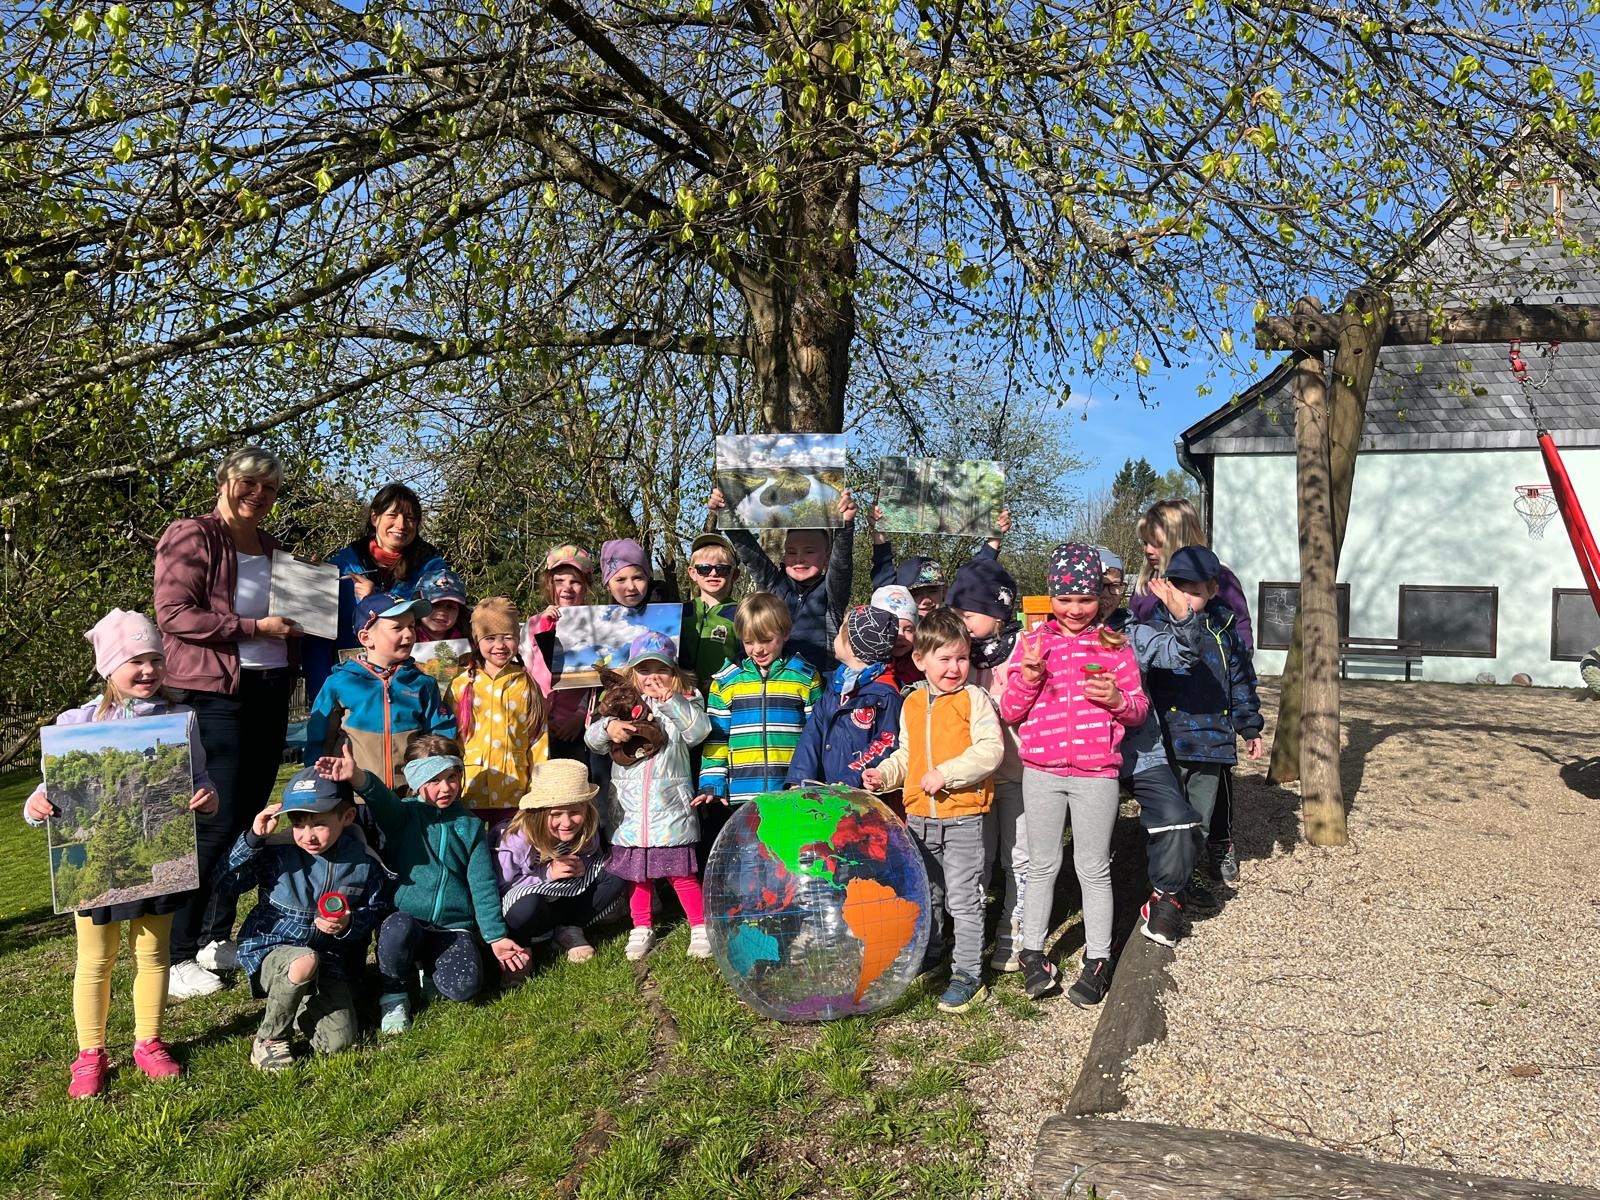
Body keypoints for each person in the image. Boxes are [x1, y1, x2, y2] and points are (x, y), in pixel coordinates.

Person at [22, 610, 220, 1097]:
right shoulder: (75, 724)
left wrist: (207, 797)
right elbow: (48, 791)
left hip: (158, 862)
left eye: (155, 658)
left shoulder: (180, 720)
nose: (149, 670)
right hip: (93, 867)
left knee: (153, 956)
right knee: (96, 959)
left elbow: (200, 778)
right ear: (108, 667)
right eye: (135, 660)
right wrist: (36, 804)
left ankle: (148, 1042)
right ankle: (90, 1052)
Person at [153, 444, 298, 999]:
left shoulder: (273, 549)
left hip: (268, 693)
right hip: (212, 695)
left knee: (248, 819)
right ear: (226, 481)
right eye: (249, 483)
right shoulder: (192, 535)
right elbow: (173, 614)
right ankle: (176, 953)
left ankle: (217, 936)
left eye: (269, 489)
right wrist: (254, 625)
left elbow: (299, 622)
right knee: (212, 819)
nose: (257, 495)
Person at [1000, 544, 1149, 1007]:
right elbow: (1009, 709)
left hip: (1096, 776)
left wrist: (1116, 702)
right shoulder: (1032, 643)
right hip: (1041, 772)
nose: (1075, 610)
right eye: (1065, 600)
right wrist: (1027, 676)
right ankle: (1032, 954)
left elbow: (1139, 711)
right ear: (1051, 596)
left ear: (1100, 596)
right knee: (1042, 865)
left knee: (1093, 867)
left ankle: (1099, 957)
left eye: (1085, 599)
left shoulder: (1115, 647)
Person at [314, 734, 522, 1033]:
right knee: (397, 928)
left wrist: (495, 937)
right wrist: (358, 777)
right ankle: (395, 994)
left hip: (452, 929)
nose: (446, 787)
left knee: (464, 988)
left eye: (452, 777)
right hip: (406, 921)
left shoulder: (470, 825)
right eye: (434, 780)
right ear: (416, 780)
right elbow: (380, 798)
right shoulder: (403, 815)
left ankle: (426, 967)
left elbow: (483, 885)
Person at [862, 610, 1004, 1014]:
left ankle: (968, 975)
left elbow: (990, 751)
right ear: (921, 659)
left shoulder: (973, 699)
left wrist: (948, 774)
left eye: (961, 658)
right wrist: (883, 775)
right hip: (920, 818)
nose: (954, 668)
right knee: (931, 894)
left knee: (964, 899)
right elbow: (907, 756)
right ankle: (934, 951)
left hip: (963, 816)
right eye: (944, 659)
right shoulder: (911, 703)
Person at [211, 768, 389, 1071]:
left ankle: (295, 1005)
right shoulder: (276, 852)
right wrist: (253, 839)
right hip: (273, 949)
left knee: (339, 1044)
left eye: (319, 824)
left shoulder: (363, 860)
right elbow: (225, 883)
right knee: (303, 961)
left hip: (330, 957)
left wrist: (347, 926)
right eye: (298, 824)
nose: (307, 835)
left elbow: (375, 910)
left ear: (346, 817)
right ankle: (268, 1040)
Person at [1099, 558, 1208, 947]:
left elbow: (1184, 655)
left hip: (1138, 750)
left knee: (1177, 817)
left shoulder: (1137, 634)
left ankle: (1166, 899)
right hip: (1081, 757)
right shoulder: (1052, 634)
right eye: (1098, 584)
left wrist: (1183, 618)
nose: (1106, 594)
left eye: (1114, 585)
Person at [1143, 546, 1264, 891]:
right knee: (1166, 818)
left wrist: (1248, 724)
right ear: (1167, 587)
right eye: (1181, 589)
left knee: (1199, 819)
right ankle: (1161, 883)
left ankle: (1186, 877)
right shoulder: (1153, 629)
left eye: (1196, 592)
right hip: (1166, 742)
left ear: (1212, 591)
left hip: (1212, 744)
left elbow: (1240, 680)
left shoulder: (1224, 631)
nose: (1187, 598)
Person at [584, 633, 712, 960]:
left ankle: (699, 926)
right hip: (628, 811)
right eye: (644, 670)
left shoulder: (687, 697)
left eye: (662, 670)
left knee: (680, 872)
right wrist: (608, 727)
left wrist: (673, 701)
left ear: (675, 674)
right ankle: (641, 926)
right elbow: (593, 740)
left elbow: (698, 733)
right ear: (632, 674)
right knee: (636, 876)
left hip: (669, 808)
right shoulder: (620, 704)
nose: (653, 677)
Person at [946, 556, 1029, 972]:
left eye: (968, 613)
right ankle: (970, 933)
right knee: (975, 858)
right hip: (974, 780)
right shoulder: (959, 657)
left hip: (1017, 773)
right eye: (955, 613)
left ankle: (1014, 933)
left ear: (999, 612)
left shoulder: (1024, 653)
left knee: (1018, 857)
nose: (961, 621)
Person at [697, 593, 822, 862]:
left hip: (791, 790)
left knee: (791, 859)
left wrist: (810, 779)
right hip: (744, 793)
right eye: (749, 641)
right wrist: (712, 782)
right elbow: (717, 736)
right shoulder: (727, 681)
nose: (758, 649)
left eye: (766, 640)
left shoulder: (805, 676)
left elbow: (816, 735)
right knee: (751, 862)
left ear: (785, 633)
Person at [303, 482, 453, 704]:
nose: (401, 525)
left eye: (410, 518)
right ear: (375, 517)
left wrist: (375, 600)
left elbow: (444, 626)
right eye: (392, 515)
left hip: (411, 692)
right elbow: (317, 642)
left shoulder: (433, 571)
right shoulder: (339, 568)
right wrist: (323, 700)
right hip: (353, 690)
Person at [305, 592, 456, 792]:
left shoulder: (423, 684)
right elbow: (318, 739)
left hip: (409, 796)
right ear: (366, 638)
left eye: (411, 626)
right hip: (354, 795)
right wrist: (317, 785)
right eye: (397, 628)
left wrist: (438, 779)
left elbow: (439, 736)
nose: (409, 634)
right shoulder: (339, 683)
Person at [708, 487, 857, 671]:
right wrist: (726, 515)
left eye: (809, 552)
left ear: (826, 558)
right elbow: (749, 553)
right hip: (774, 684)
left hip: (820, 686)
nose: (799, 558)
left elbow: (841, 564)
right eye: (791, 552)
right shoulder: (774, 584)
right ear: (784, 556)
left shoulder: (831, 591)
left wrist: (846, 525)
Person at [494, 759, 628, 963]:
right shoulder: (516, 838)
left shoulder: (586, 828)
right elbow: (501, 886)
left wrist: (583, 865)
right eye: (556, 814)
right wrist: (547, 874)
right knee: (525, 906)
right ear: (538, 813)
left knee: (615, 872)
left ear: (586, 808)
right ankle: (522, 944)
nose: (566, 823)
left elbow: (595, 857)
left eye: (575, 812)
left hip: (565, 897)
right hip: (531, 905)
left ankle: (570, 928)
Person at [448, 597, 548, 825]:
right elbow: (452, 739)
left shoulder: (528, 684)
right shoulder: (460, 684)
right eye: (490, 638)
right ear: (477, 641)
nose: (499, 646)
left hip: (515, 792)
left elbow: (538, 741)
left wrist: (537, 791)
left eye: (508, 638)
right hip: (469, 790)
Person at [786, 605, 904, 793]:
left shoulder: (884, 695)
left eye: (840, 633)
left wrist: (850, 779)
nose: (835, 638)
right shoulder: (834, 686)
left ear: (852, 647)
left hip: (860, 794)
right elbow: (812, 734)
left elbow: (885, 743)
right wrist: (800, 779)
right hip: (824, 789)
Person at [1129, 498, 1254, 652]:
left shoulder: (1219, 578)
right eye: (1145, 543)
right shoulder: (1147, 584)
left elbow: (1241, 633)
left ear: (1180, 540)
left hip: (1209, 671)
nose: (1148, 550)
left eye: (1157, 543)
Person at [527, 544, 597, 760]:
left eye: (575, 582)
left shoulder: (595, 625)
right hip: (537, 723)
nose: (567, 588)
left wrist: (580, 716)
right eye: (559, 581)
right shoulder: (533, 623)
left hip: (573, 727)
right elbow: (526, 671)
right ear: (549, 585)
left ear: (585, 587)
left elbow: (596, 680)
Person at [679, 532, 741, 694]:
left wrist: (722, 679)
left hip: (724, 696)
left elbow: (750, 657)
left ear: (734, 575)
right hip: (682, 696)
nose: (713, 573)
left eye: (722, 569)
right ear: (692, 573)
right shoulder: (680, 612)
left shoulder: (742, 613)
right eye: (704, 569)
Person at [871, 584, 923, 688]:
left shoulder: (921, 664)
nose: (900, 636)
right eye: (892, 628)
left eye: (908, 629)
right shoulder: (868, 667)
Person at [416, 566, 472, 643]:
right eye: (435, 605)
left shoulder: (472, 641)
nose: (442, 612)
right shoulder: (404, 639)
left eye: (450, 607)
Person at [600, 538, 653, 612]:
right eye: (621, 580)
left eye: (637, 578)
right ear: (608, 585)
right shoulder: (596, 619)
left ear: (647, 578)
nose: (631, 587)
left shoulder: (671, 611)